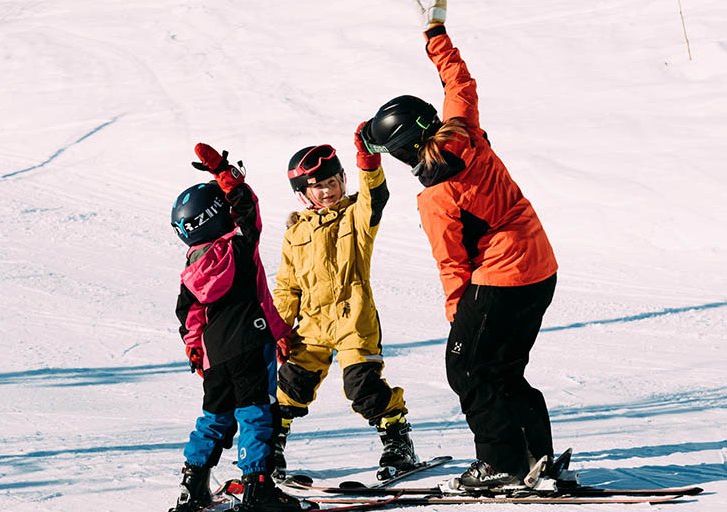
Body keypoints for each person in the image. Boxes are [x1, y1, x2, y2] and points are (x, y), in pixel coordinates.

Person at [360, 1, 559, 491]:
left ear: (405, 151)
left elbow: (452, 264)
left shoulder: (437, 198)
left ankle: (499, 464)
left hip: (503, 276)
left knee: (467, 366)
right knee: (506, 369)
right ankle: (536, 456)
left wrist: (459, 318)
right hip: (541, 266)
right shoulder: (464, 129)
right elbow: (459, 83)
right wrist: (435, 32)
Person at [170, 143, 315, 511]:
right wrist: (227, 176)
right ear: (219, 214)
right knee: (255, 412)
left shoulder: (191, 269)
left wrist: (196, 351)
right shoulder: (239, 246)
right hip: (250, 344)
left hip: (215, 357)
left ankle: (193, 484)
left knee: (215, 416)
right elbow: (249, 210)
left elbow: (189, 318)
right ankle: (259, 487)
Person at [271, 136, 420, 481]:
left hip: (354, 320)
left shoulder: (356, 216)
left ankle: (398, 442)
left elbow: (375, 199)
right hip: (311, 327)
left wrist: (368, 165)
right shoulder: (295, 234)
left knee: (362, 387)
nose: (327, 191)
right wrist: (279, 328)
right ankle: (271, 447)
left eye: (333, 182)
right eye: (319, 186)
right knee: (289, 388)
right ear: (303, 194)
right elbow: (287, 287)